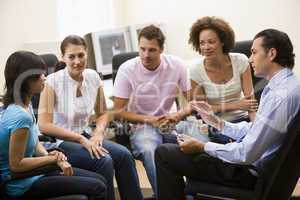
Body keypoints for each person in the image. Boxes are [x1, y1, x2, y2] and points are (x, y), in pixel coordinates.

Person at [155, 29, 300, 200]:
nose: (250, 58)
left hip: (248, 174)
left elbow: (246, 153)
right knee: (176, 143)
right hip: (251, 163)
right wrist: (216, 122)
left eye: (254, 52)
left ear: (271, 54)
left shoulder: (279, 97)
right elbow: (255, 129)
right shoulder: (288, 85)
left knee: (164, 153)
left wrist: (203, 147)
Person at [37, 35, 143, 200]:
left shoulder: (93, 76)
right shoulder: (52, 82)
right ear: (63, 58)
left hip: (84, 135)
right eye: (71, 56)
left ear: (87, 54)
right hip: (58, 141)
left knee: (124, 155)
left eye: (81, 55)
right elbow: (44, 125)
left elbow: (102, 113)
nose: (77, 61)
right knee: (104, 160)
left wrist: (98, 134)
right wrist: (81, 139)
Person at [0, 51, 106, 199]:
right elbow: (16, 165)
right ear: (25, 81)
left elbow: (34, 142)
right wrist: (53, 159)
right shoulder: (20, 116)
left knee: (100, 180)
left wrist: (50, 155)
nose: (44, 78)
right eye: (39, 75)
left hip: (35, 173)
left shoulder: (25, 104)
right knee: (98, 187)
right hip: (22, 185)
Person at [113, 24, 192, 196]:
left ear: (162, 49)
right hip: (142, 125)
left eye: (152, 50)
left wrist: (177, 115)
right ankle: (167, 196)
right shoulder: (127, 69)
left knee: (199, 140)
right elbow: (117, 112)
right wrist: (149, 120)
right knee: (150, 150)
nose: (146, 55)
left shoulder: (177, 65)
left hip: (170, 122)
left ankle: (195, 193)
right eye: (142, 49)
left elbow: (194, 103)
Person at [189, 16, 258, 123]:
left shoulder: (241, 61)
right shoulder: (195, 71)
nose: (206, 47)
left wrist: (256, 127)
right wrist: (236, 105)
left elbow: (251, 104)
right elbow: (203, 111)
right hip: (218, 126)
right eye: (202, 43)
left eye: (211, 42)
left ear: (222, 41)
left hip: (244, 120)